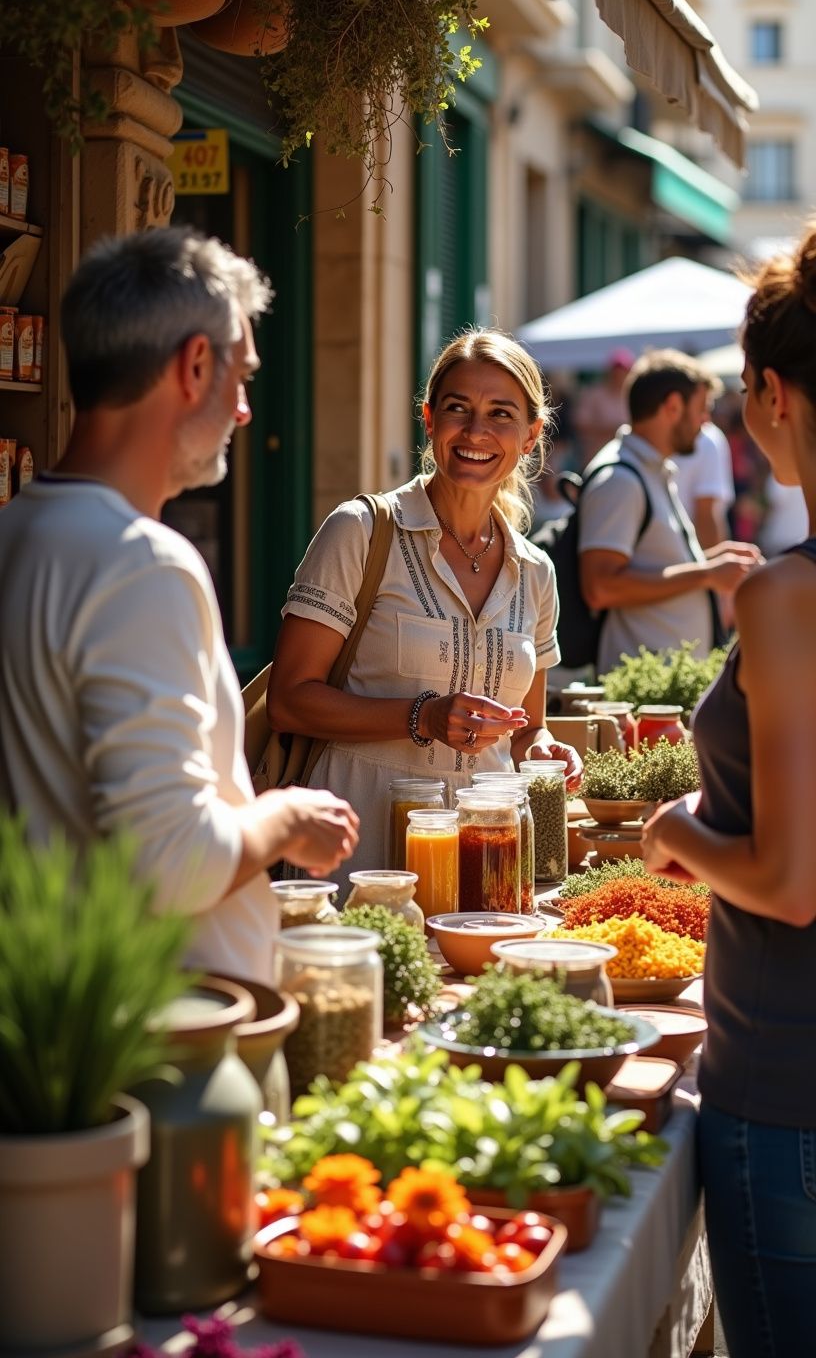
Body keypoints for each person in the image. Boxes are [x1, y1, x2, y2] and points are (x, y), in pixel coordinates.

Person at [0, 226, 359, 983]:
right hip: (164, 1038)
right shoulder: (141, 562)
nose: (245, 412)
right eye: (245, 377)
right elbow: (172, 864)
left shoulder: (19, 530)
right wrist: (288, 816)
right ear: (196, 365)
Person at [641, 219, 816, 1357]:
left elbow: (790, 884)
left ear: (767, 394)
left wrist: (673, 830)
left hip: (787, 1081)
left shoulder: (787, 598)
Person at [266, 329, 583, 898]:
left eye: (500, 414)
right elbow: (290, 700)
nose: (476, 431)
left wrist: (542, 751)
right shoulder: (361, 532)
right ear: (429, 419)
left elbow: (525, 729)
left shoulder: (535, 571)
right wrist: (424, 717)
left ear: (531, 435)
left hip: (487, 859)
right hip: (356, 853)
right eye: (458, 409)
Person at [577, 349, 762, 674]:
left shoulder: (647, 470)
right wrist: (706, 573)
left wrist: (712, 562)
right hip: (639, 687)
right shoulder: (620, 478)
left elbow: (655, 566)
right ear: (673, 406)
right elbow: (600, 587)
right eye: (702, 409)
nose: (706, 421)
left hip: (658, 686)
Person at [672, 412, 735, 550]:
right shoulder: (708, 438)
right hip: (686, 557)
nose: (706, 416)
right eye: (702, 405)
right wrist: (713, 568)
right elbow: (706, 517)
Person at [573, 347, 634, 466]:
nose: (619, 376)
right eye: (617, 371)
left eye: (623, 371)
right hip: (596, 457)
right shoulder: (594, 394)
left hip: (625, 458)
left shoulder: (633, 396)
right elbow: (580, 424)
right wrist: (611, 430)